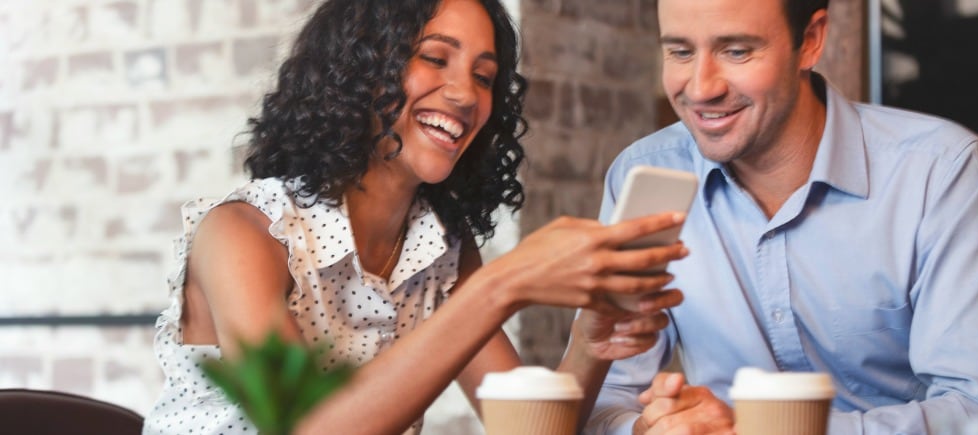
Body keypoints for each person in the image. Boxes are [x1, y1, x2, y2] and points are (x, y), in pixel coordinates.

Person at [142, 0, 690, 434]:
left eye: (484, 76)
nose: (464, 94)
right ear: (358, 69)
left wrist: (591, 345)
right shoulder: (242, 233)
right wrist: (506, 282)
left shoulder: (440, 251)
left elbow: (533, 430)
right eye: (434, 58)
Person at [579, 0, 978, 433]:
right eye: (680, 52)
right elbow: (608, 396)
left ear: (809, 41)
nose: (699, 88)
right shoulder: (646, 173)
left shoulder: (941, 171)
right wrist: (646, 428)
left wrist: (760, 428)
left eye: (736, 51)